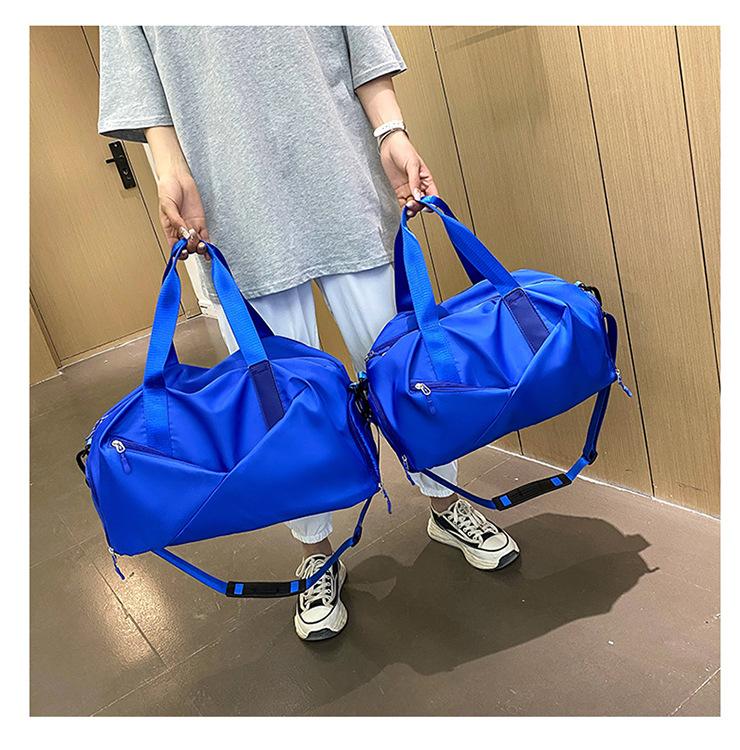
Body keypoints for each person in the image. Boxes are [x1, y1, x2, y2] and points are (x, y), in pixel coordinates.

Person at [98, 25, 519, 641]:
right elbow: (140, 76)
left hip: (340, 168)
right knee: (279, 406)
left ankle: (445, 502)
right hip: (228, 195)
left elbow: (358, 32)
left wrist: (392, 131)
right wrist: (168, 170)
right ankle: (315, 551)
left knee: (407, 371)